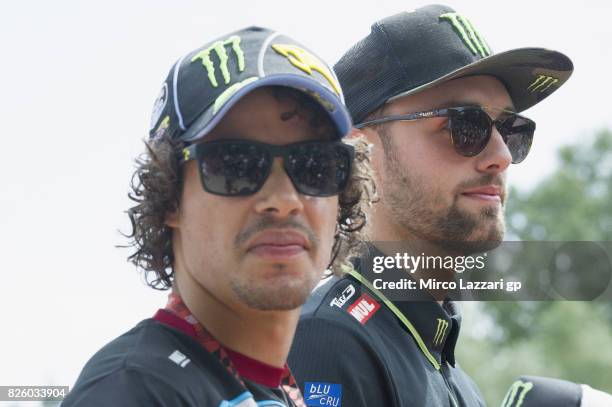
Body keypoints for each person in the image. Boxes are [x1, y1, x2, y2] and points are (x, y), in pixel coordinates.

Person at [61, 26, 374, 407]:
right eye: (236, 166)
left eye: (315, 165)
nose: (284, 199)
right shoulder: (134, 392)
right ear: (171, 197)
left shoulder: (275, 389)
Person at [288, 5, 573, 407]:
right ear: (362, 151)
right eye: (463, 124)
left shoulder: (454, 376)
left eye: (511, 129)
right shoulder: (327, 342)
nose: (502, 155)